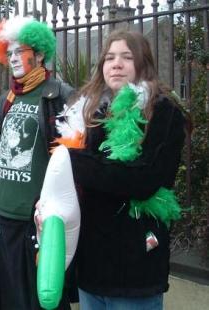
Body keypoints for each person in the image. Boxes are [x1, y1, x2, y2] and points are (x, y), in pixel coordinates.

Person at [65, 30, 189, 309]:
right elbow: (73, 184)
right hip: (92, 266)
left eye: (126, 57)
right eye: (109, 58)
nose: (116, 64)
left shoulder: (163, 112)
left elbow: (142, 179)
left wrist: (70, 161)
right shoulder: (90, 113)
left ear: (143, 64)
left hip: (135, 269)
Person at [0, 16, 75, 310]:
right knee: (7, 300)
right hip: (6, 216)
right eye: (8, 53)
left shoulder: (59, 95)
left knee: (39, 302)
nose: (12, 58)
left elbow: (73, 159)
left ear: (38, 54)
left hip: (36, 221)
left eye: (19, 52)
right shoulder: (6, 99)